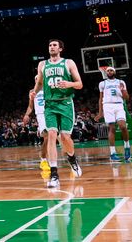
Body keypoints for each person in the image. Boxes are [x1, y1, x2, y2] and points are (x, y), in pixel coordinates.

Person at [34, 39, 83, 188]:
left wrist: (69, 84)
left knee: (65, 137)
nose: (52, 47)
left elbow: (79, 84)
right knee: (51, 135)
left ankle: (72, 158)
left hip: (66, 103)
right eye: (50, 45)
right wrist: (34, 92)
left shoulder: (68, 63)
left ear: (60, 48)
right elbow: (40, 82)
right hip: (50, 105)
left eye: (55, 45)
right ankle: (54, 174)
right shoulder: (42, 64)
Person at [97, 67, 131, 162]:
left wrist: (122, 90)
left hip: (119, 105)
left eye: (111, 70)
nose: (109, 72)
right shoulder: (102, 83)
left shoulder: (121, 82)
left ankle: (127, 146)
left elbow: (127, 98)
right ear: (106, 73)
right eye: (107, 71)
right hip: (107, 106)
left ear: (114, 72)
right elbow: (100, 98)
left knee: (123, 126)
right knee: (111, 128)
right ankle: (113, 153)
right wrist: (100, 112)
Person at [23, 75, 51, 175]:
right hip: (41, 115)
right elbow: (31, 106)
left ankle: (69, 157)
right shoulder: (32, 91)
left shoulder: (49, 88)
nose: (38, 80)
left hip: (51, 113)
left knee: (60, 137)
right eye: (36, 79)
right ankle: (43, 160)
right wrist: (26, 114)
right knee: (47, 137)